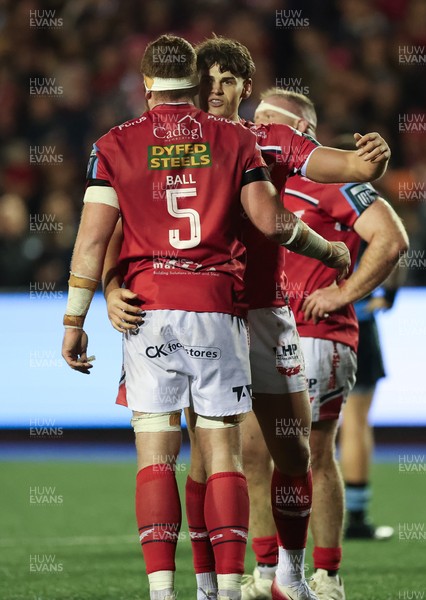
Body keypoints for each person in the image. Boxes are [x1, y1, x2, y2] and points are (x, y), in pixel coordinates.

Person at [61, 34, 351, 600]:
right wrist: (330, 250)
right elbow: (270, 220)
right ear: (194, 84)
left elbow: (94, 237)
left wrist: (76, 316)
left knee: (198, 453)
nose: (217, 90)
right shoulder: (230, 143)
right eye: (208, 80)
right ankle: (216, 586)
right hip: (218, 310)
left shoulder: (120, 142)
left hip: (206, 314)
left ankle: (240, 582)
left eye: (228, 81)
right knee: (217, 455)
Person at [238, 89, 409, 600]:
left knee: (312, 453)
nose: (259, 128)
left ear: (302, 133)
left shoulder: (328, 180)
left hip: (317, 336)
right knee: (252, 455)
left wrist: (343, 292)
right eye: (257, 118)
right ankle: (267, 573)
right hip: (257, 332)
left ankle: (326, 575)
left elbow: (392, 238)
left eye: (270, 120)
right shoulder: (248, 182)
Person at [340, 259, 401, 541]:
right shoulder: (362, 212)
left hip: (304, 322)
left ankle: (285, 523)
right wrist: (389, 294)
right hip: (356, 322)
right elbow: (395, 249)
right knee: (356, 422)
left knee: (299, 425)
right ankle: (356, 518)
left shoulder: (292, 213)